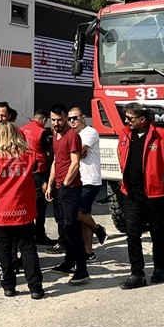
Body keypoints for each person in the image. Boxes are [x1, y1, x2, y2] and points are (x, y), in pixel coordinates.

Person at [117, 103, 164, 290]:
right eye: (126, 117)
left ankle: (159, 269)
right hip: (130, 193)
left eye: (130, 118)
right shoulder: (125, 133)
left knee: (156, 233)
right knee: (132, 234)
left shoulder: (162, 135)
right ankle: (137, 274)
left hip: (154, 193)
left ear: (142, 119)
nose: (126, 121)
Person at [0, 121, 44, 299]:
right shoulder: (29, 156)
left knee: (2, 249)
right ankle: (35, 287)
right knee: (28, 248)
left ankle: (8, 286)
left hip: (1, 210)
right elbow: (37, 169)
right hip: (23, 209)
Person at [46, 104, 88, 285]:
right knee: (64, 226)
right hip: (59, 187)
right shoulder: (56, 136)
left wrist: (64, 184)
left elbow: (75, 163)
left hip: (70, 189)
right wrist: (49, 185)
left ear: (65, 118)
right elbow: (56, 162)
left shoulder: (72, 136)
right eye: (53, 120)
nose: (56, 123)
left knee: (72, 228)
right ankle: (69, 262)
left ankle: (82, 270)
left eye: (59, 120)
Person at [70, 107, 107, 255]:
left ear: (83, 118)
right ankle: (88, 252)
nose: (72, 121)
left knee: (78, 213)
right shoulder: (72, 134)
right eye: (70, 118)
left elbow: (79, 151)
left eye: (75, 118)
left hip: (90, 180)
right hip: (78, 180)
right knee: (84, 215)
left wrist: (73, 151)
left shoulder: (90, 133)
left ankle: (98, 229)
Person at [18, 110, 53, 246]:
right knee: (40, 204)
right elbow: (48, 151)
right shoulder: (42, 132)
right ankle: (39, 233)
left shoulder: (21, 129)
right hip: (39, 169)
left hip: (24, 169)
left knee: (26, 201)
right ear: (44, 119)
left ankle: (27, 231)